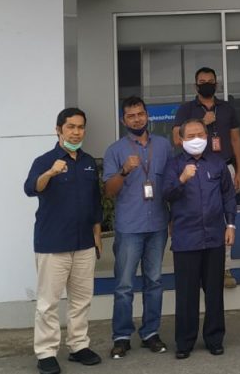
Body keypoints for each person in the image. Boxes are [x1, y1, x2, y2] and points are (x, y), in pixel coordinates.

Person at [24, 108, 103, 374]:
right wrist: (50, 173)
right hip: (53, 243)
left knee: (82, 299)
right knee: (48, 303)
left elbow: (95, 201)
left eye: (80, 127)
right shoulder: (45, 160)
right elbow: (31, 188)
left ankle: (78, 346)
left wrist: (97, 234)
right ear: (58, 129)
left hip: (84, 243)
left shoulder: (88, 161)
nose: (76, 132)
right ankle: (46, 352)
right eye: (70, 127)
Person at [103, 97, 171, 358]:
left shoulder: (163, 146)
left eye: (140, 114)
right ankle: (121, 336)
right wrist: (123, 171)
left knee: (154, 281)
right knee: (124, 285)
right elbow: (109, 191)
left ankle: (150, 333)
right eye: (131, 116)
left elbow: (171, 186)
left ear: (147, 115)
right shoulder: (115, 150)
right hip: (129, 226)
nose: (137, 119)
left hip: (158, 224)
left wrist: (174, 219)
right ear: (124, 120)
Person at [163, 118, 237, 359]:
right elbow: (166, 194)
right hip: (186, 238)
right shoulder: (174, 165)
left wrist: (231, 224)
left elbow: (228, 196)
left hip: (214, 236)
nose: (196, 139)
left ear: (207, 137)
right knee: (187, 294)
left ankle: (214, 338)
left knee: (214, 291)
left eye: (200, 135)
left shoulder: (217, 163)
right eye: (191, 136)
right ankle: (185, 341)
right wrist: (182, 179)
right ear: (181, 139)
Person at [172, 67, 240, 289]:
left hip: (224, 166)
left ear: (216, 84)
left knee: (226, 216)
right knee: (200, 214)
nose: (207, 84)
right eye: (202, 81)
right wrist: (203, 122)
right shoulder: (186, 109)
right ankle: (201, 269)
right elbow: (176, 139)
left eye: (210, 81)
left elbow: (236, 140)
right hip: (195, 169)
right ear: (196, 85)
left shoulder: (227, 108)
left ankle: (225, 268)